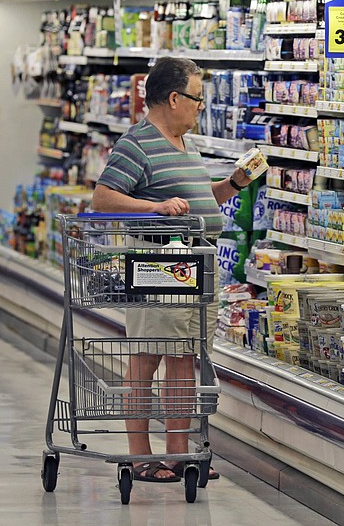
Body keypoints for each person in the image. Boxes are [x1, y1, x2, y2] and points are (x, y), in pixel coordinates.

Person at [92, 56, 252, 482]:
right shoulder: (137, 143)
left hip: (197, 265)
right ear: (175, 97)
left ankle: (178, 455)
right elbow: (103, 200)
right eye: (198, 98)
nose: (202, 106)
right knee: (146, 359)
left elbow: (199, 202)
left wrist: (233, 184)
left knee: (184, 362)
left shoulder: (187, 142)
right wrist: (155, 207)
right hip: (158, 264)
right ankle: (140, 455)